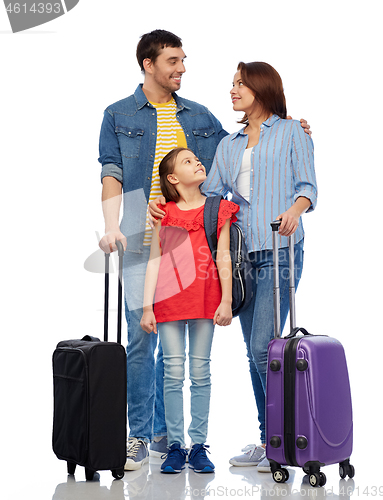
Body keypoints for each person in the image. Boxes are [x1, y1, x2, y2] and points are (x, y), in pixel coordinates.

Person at [98, 27, 311, 471]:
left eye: (183, 60)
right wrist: (111, 226)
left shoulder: (200, 118)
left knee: (192, 349)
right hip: (142, 233)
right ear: (148, 64)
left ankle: (177, 437)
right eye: (173, 61)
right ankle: (142, 436)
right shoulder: (117, 114)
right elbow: (112, 173)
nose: (182, 69)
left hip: (195, 240)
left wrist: (293, 129)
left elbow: (229, 164)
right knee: (143, 338)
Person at [149, 61, 317, 472]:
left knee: (264, 347)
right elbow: (202, 190)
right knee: (253, 351)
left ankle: (278, 438)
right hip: (243, 258)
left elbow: (307, 187)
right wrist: (164, 202)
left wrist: (295, 210)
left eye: (240, 83)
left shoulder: (293, 132)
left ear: (260, 88)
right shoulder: (230, 145)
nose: (232, 90)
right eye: (233, 83)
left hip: (280, 249)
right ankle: (269, 437)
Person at [140, 147, 238, 473]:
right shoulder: (163, 214)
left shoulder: (218, 209)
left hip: (205, 301)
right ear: (172, 178)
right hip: (168, 303)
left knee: (200, 373)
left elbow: (223, 255)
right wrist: (147, 308)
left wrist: (226, 299)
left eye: (197, 158)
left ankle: (198, 446)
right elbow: (154, 260)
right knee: (172, 374)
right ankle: (175, 446)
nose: (197, 162)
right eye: (187, 161)